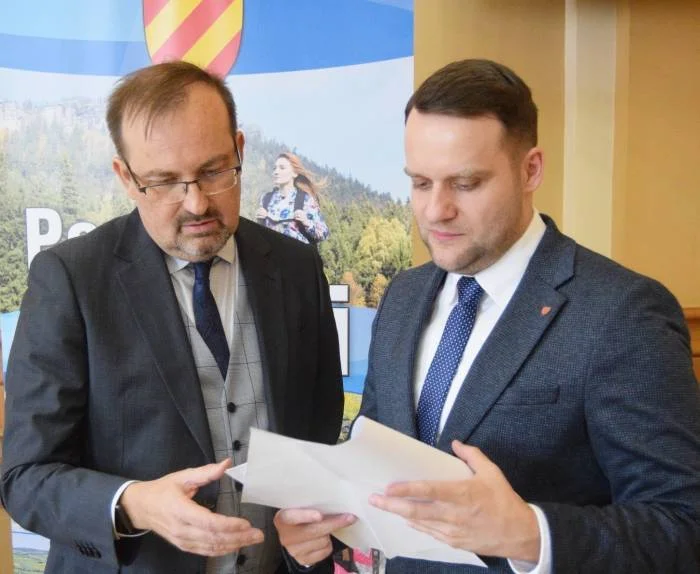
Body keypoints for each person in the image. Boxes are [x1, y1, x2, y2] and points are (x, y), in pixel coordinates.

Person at [273, 59, 700, 573]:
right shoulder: (404, 297)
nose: (436, 210)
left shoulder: (622, 313)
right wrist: (321, 531)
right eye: (421, 183)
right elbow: (377, 466)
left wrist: (531, 534)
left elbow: (684, 526)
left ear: (531, 170)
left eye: (466, 183)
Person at [0, 61, 344, 574]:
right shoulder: (70, 279)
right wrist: (134, 504)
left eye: (214, 171)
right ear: (126, 177)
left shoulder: (297, 268)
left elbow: (319, 435)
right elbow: (24, 478)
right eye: (163, 182)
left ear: (240, 150)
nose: (197, 203)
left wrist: (317, 522)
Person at [255, 153, 330, 245]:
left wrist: (306, 222)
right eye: (275, 168)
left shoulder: (305, 200)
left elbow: (324, 234)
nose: (276, 172)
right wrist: (259, 221)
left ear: (295, 173)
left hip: (298, 253)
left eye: (282, 168)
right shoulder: (266, 198)